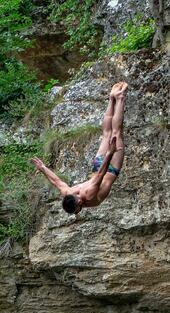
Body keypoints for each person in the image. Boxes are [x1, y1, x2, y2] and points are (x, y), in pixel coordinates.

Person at [30, 81, 128, 214]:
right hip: (103, 169)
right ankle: (114, 97)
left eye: (78, 203)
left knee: (112, 133)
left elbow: (56, 181)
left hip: (107, 170)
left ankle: (117, 97)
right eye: (79, 207)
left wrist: (43, 168)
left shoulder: (79, 193)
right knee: (110, 134)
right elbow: (99, 175)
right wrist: (109, 153)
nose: (81, 203)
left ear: (71, 196)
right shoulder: (85, 196)